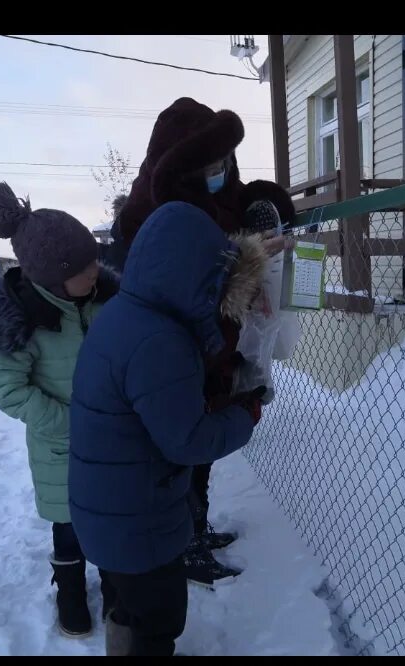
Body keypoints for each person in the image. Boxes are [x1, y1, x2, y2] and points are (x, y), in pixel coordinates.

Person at [69, 200, 268, 656]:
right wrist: (244, 415)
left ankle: (122, 644)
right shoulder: (160, 341)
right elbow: (188, 441)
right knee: (160, 621)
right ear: (197, 276)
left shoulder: (126, 315)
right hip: (138, 522)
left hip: (111, 509)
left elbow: (154, 407)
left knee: (131, 605)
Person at [115, 97, 296, 586]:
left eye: (225, 161)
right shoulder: (150, 213)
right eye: (211, 163)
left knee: (201, 455)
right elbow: (185, 277)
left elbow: (241, 207)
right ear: (182, 163)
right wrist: (249, 260)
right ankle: (185, 543)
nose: (221, 172)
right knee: (181, 452)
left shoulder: (214, 191)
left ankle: (196, 528)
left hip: (216, 349)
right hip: (178, 355)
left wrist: (269, 207)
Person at [0, 182, 119, 638]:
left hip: (115, 440)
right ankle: (71, 592)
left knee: (115, 519)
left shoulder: (108, 302)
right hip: (62, 448)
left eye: (95, 260)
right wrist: (65, 422)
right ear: (55, 276)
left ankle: (117, 588)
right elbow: (4, 386)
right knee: (70, 527)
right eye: (83, 267)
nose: (95, 270)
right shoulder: (25, 320)